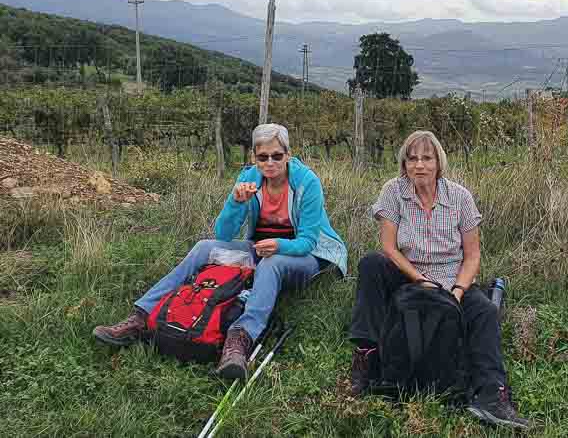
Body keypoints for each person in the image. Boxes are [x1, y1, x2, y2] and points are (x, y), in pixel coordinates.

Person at [94, 123, 347, 380]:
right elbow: (223, 235)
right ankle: (141, 316)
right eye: (263, 157)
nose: (270, 163)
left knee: (272, 263)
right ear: (254, 158)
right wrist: (236, 203)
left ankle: (240, 339)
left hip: (306, 255)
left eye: (277, 156)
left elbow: (307, 241)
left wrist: (279, 246)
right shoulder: (249, 179)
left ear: (288, 155)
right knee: (205, 247)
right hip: (260, 248)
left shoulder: (307, 182)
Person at [348, 130, 529, 429]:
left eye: (426, 158)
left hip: (450, 278)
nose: (419, 165)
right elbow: (390, 248)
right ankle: (366, 359)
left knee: (485, 311)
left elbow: (472, 256)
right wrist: (419, 279)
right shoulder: (393, 191)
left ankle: (491, 396)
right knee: (371, 264)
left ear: (438, 163)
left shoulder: (460, 197)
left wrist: (457, 291)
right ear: (404, 164)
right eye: (412, 159)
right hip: (407, 274)